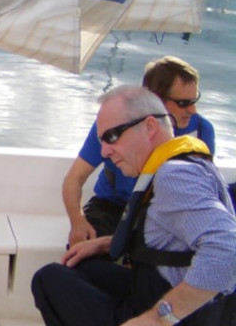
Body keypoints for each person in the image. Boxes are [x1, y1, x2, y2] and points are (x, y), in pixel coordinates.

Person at [32, 86, 236, 326]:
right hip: (166, 293)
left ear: (149, 127)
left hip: (174, 315)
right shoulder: (186, 165)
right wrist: (105, 243)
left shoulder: (175, 176)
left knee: (49, 279)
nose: (105, 152)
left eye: (111, 137)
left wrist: (157, 319)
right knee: (80, 268)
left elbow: (227, 250)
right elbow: (178, 242)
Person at [62, 55, 215, 247]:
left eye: (194, 100)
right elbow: (74, 178)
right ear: (155, 99)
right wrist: (77, 221)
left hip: (163, 215)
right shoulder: (112, 127)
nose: (193, 110)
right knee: (81, 252)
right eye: (183, 103)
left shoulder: (202, 131)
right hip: (112, 206)